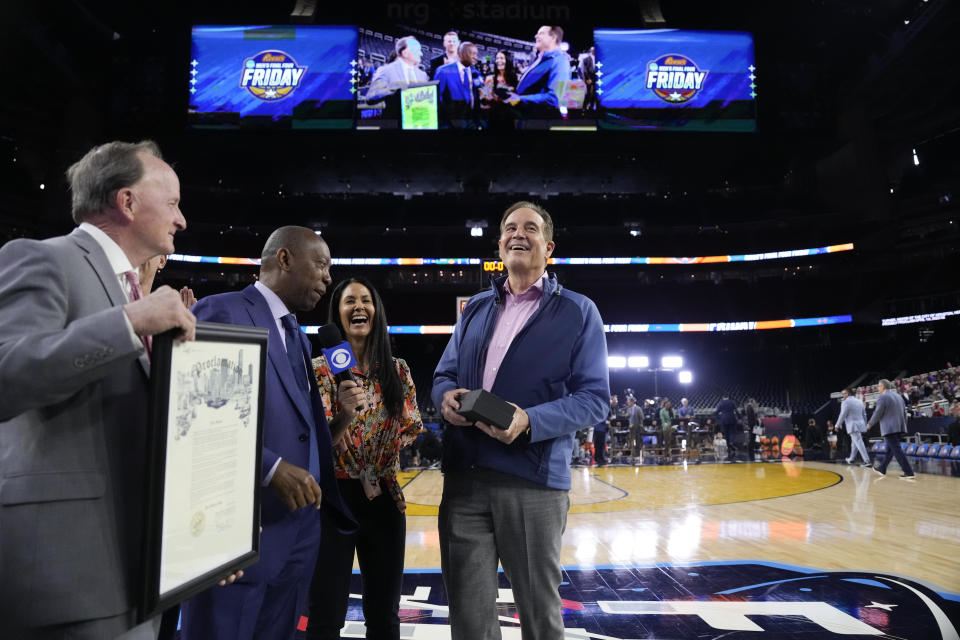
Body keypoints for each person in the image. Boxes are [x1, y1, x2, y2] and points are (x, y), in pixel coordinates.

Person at [0, 140, 223, 639]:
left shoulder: (135, 289)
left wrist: (210, 538)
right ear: (127, 203)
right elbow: (6, 374)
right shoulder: (43, 259)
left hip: (139, 572)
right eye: (172, 203)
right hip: (67, 577)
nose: (182, 219)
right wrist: (128, 322)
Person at [432, 201, 609, 639]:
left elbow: (594, 400)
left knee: (539, 616)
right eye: (510, 227)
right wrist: (445, 398)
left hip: (532, 481)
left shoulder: (579, 311)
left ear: (548, 247)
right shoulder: (473, 308)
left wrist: (528, 420)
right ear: (499, 243)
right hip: (465, 480)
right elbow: (443, 374)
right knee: (469, 620)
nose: (518, 234)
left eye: (530, 228)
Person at [180, 227, 356, 640]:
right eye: (321, 264)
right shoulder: (222, 310)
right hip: (243, 522)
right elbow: (192, 418)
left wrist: (341, 422)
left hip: (298, 531)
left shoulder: (295, 332)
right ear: (284, 259)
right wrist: (269, 467)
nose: (328, 278)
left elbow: (299, 430)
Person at [307, 277, 423, 640]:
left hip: (383, 497)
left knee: (385, 615)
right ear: (337, 314)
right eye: (349, 301)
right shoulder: (318, 371)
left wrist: (373, 463)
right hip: (334, 497)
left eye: (366, 300)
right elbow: (317, 445)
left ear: (377, 311)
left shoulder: (398, 370)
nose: (359, 307)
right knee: (326, 614)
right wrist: (343, 416)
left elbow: (407, 429)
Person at [505, 26, 571, 117]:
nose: (536, 36)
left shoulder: (560, 61)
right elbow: (532, 85)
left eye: (541, 33)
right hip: (524, 114)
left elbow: (554, 98)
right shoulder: (540, 59)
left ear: (553, 37)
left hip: (536, 119)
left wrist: (520, 99)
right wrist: (516, 91)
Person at [867, 379, 916, 481]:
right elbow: (904, 413)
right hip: (899, 427)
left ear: (883, 387)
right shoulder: (898, 396)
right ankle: (882, 468)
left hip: (889, 428)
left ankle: (909, 472)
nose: (877, 388)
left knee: (897, 450)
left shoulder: (883, 397)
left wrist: (870, 424)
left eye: (878, 386)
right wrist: (903, 426)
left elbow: (878, 413)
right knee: (891, 450)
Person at [365, 36, 429, 102]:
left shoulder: (423, 75)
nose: (421, 54)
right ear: (405, 53)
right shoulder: (386, 70)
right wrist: (395, 88)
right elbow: (371, 97)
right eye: (417, 50)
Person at [434, 42, 481, 128]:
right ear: (461, 54)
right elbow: (437, 99)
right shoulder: (443, 71)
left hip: (472, 121)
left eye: (476, 54)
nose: (476, 57)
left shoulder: (476, 72)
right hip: (450, 124)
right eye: (473, 54)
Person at [837, 387, 871, 466]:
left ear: (848, 393)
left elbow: (842, 415)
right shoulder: (859, 401)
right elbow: (864, 414)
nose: (843, 395)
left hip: (852, 426)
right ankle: (851, 459)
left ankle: (867, 461)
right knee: (854, 443)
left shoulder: (845, 402)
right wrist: (865, 424)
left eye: (844, 393)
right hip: (861, 424)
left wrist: (837, 425)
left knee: (859, 442)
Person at [716, 394, 739, 461]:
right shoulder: (732, 402)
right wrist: (739, 416)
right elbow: (736, 411)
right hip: (732, 418)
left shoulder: (721, 403)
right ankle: (732, 442)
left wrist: (718, 417)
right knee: (733, 432)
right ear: (728, 397)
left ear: (723, 397)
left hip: (724, 419)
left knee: (726, 433)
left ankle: (728, 446)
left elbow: (717, 412)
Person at [579, 46, 597, 111]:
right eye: (593, 50)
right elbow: (584, 70)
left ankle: (592, 107)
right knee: (589, 93)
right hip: (589, 77)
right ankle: (584, 106)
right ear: (591, 51)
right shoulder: (586, 59)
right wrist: (587, 78)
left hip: (596, 78)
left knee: (594, 93)